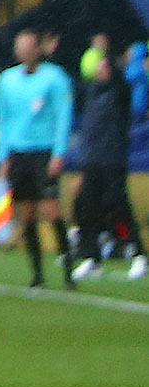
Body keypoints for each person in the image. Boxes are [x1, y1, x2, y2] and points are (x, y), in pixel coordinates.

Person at [0, 28, 75, 289]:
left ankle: (68, 270)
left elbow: (63, 116)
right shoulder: (6, 80)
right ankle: (37, 274)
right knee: (26, 213)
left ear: (38, 49)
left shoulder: (55, 78)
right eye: (20, 47)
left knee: (52, 210)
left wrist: (59, 152)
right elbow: (3, 119)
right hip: (18, 153)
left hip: (44, 151)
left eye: (28, 46)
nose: (24, 51)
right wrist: (3, 155)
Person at [70, 32, 138, 282]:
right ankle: (91, 256)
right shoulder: (91, 92)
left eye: (104, 65)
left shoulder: (119, 92)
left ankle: (137, 251)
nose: (100, 69)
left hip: (113, 156)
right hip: (92, 158)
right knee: (87, 206)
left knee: (116, 202)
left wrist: (107, 53)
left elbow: (122, 86)